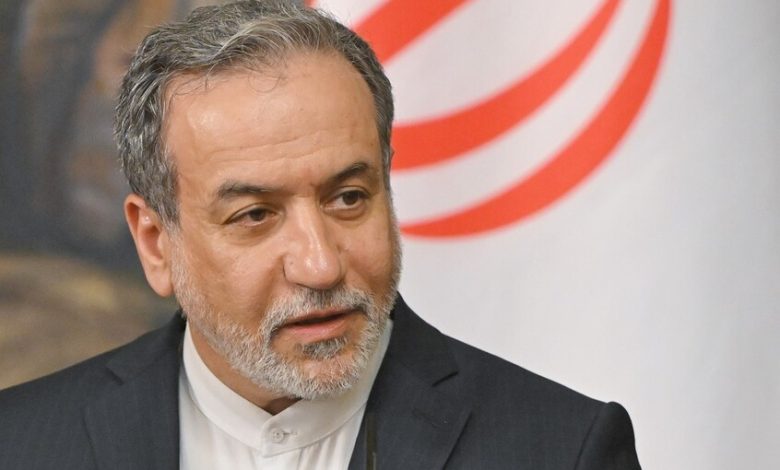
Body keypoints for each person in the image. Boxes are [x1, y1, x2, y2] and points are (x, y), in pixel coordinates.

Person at [0, 1, 642, 468]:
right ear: (155, 243)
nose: (320, 265)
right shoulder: (22, 445)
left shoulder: (561, 449)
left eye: (348, 198)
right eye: (255, 215)